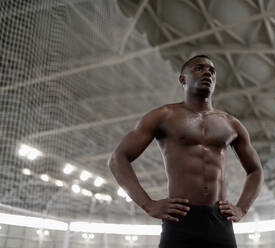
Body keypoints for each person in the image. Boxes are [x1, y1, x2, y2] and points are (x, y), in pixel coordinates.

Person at [108, 55, 263, 248]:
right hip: (180, 218)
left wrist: (242, 208)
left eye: (212, 71)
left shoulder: (231, 124)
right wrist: (148, 204)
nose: (207, 72)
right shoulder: (163, 116)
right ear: (182, 79)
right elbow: (118, 159)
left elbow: (255, 170)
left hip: (220, 219)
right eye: (199, 68)